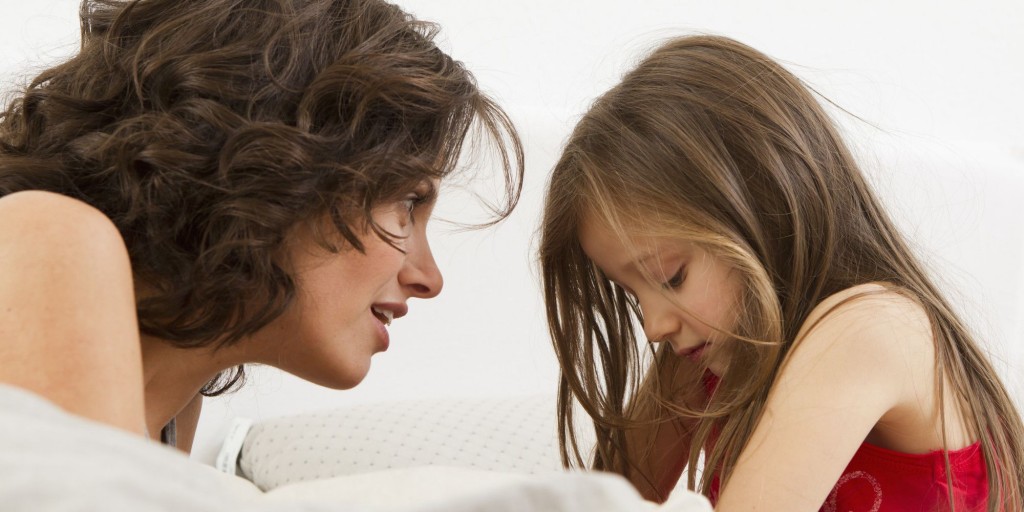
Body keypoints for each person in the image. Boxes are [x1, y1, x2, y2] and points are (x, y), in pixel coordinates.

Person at [0, 0, 521, 452]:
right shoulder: (49, 238)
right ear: (283, 164)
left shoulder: (172, 411)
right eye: (407, 203)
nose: (429, 278)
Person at [539, 35, 1022, 511]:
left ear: (765, 210)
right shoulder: (704, 357)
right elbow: (600, 502)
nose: (653, 324)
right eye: (632, 292)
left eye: (671, 278)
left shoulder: (871, 328)